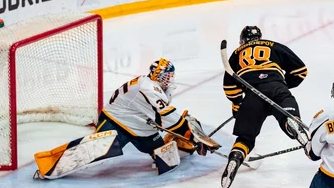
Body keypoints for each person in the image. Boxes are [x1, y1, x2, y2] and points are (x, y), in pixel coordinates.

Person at [34, 58, 217, 179]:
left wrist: (190, 138)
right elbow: (167, 115)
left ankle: (186, 143)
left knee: (167, 158)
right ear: (158, 76)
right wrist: (190, 133)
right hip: (117, 122)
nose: (170, 80)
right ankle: (48, 166)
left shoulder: (158, 87)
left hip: (142, 128)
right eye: (167, 76)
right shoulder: (149, 87)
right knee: (98, 150)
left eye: (171, 76)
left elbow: (159, 115)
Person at [221, 25, 309, 188]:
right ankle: (292, 123)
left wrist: (238, 105)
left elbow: (230, 89)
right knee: (288, 117)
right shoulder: (273, 45)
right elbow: (301, 71)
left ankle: (236, 157)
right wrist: (282, 84)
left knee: (246, 138)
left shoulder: (236, 53)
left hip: (253, 95)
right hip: (277, 88)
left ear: (242, 41)